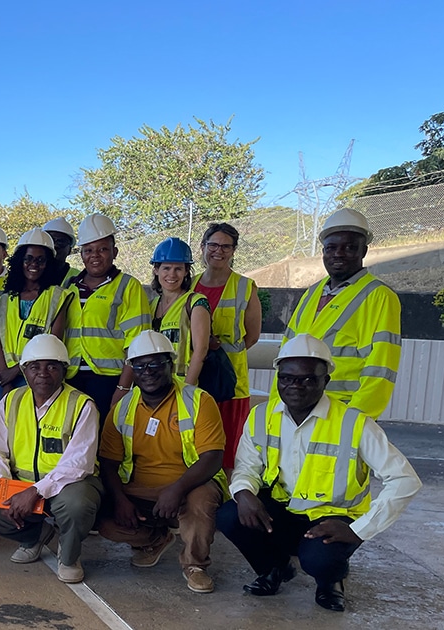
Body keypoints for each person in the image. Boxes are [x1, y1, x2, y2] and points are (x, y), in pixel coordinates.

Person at [217, 334, 421, 612]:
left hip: (330, 519)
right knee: (230, 514)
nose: (295, 386)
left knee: (319, 560)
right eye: (287, 378)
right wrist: (243, 493)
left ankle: (330, 582)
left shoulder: (354, 423)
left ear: (325, 380)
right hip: (283, 511)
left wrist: (358, 530)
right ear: (278, 377)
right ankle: (274, 569)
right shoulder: (262, 416)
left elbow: (404, 479)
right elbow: (247, 467)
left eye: (307, 379)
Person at [97, 330, 226, 594]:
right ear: (132, 369)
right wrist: (121, 501)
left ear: (171, 363)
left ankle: (195, 565)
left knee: (200, 500)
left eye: (156, 363)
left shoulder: (198, 401)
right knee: (99, 516)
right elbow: (108, 462)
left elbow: (212, 457)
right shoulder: (122, 408)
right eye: (140, 365)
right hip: (140, 489)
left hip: (190, 484)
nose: (148, 371)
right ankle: (154, 540)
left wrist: (177, 489)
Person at [0, 334, 102, 583]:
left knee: (77, 505)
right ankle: (34, 536)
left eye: (52, 366)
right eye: (35, 366)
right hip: (20, 483)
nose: (43, 373)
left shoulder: (82, 405)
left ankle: (68, 557)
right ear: (24, 370)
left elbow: (78, 463)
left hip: (69, 485)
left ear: (64, 370)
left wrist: (36, 492)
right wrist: (4, 492)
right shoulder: (11, 401)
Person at [282, 207, 401, 419]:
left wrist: (357, 418)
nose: (338, 254)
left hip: (342, 410)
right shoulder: (311, 293)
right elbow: (286, 353)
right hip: (297, 409)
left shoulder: (378, 296)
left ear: (363, 251)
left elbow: (381, 366)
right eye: (331, 248)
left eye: (349, 248)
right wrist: (278, 405)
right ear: (323, 252)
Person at [64, 213, 151, 422]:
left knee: (106, 442)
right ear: (82, 255)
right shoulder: (69, 287)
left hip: (109, 380)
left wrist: (123, 387)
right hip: (71, 379)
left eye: (102, 249)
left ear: (115, 252)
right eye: (88, 250)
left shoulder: (128, 286)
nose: (95, 255)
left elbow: (137, 344)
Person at [194, 222, 261, 472]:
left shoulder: (245, 286)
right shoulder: (188, 284)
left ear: (233, 251)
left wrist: (219, 353)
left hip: (229, 384)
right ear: (203, 247)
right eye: (213, 245)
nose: (218, 251)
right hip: (193, 379)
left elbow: (252, 336)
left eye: (226, 246)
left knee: (228, 452)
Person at [0, 229, 70, 396]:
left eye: (40, 260)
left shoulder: (56, 296)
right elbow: (0, 341)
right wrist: (5, 378)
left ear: (49, 264)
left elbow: (53, 342)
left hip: (40, 376)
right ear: (19, 261)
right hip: (7, 376)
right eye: (28, 259)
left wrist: (16, 370)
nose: (33, 265)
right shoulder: (6, 298)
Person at [149, 237, 210, 386]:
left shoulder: (196, 303)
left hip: (182, 385)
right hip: (154, 386)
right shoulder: (152, 305)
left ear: (186, 271)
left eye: (178, 269)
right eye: (166, 268)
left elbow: (201, 350)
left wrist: (187, 389)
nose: (172, 274)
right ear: (156, 270)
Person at [43, 217, 80, 286]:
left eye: (61, 242)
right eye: (50, 240)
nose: (55, 245)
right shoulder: (29, 275)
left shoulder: (80, 278)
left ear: (69, 250)